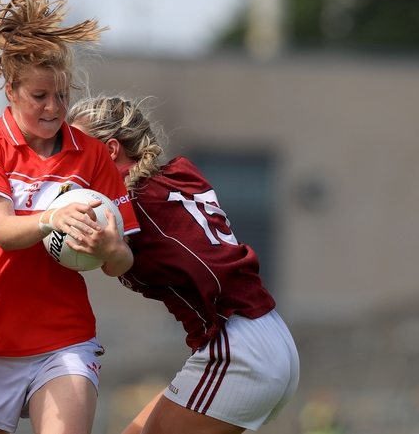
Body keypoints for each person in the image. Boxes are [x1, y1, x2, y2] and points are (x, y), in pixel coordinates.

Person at [0, 0, 141, 433]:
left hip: (64, 341)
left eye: (61, 95)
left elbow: (122, 262)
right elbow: (2, 230)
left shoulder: (91, 155)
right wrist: (54, 217)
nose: (54, 107)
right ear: (11, 89)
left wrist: (110, 249)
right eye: (39, 96)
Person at [68, 95, 300, 434]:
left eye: (76, 150)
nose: (66, 162)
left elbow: (118, 260)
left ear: (111, 150)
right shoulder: (174, 175)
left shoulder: (131, 203)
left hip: (238, 345)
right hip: (267, 334)